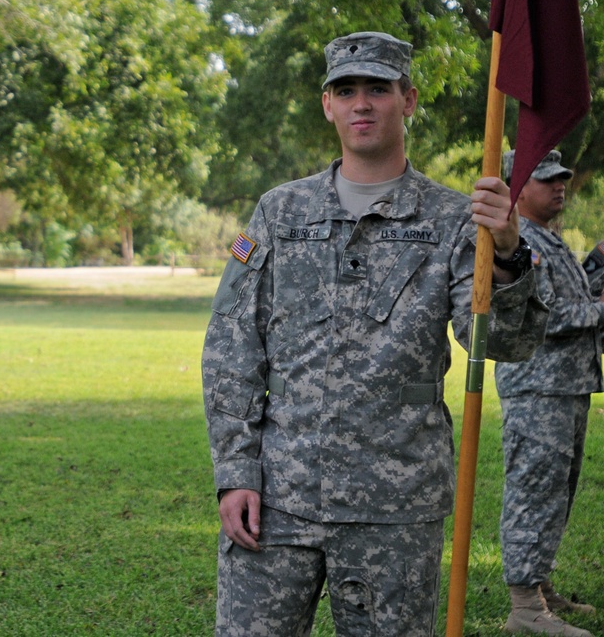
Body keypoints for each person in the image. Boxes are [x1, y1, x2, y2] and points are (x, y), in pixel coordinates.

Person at [202, 31, 548, 636]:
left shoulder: (451, 220)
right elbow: (232, 344)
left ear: (408, 100)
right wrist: (235, 473)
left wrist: (511, 256)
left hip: (397, 507)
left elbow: (502, 344)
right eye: (346, 89)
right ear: (327, 104)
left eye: (378, 89)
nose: (362, 103)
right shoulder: (280, 212)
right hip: (280, 497)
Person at [495, 149, 599, 637]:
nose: (560, 186)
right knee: (533, 492)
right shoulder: (517, 246)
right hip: (537, 390)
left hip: (567, 387)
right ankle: (524, 607)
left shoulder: (549, 241)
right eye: (546, 180)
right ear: (518, 188)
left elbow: (575, 298)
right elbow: (547, 315)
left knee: (558, 492)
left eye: (562, 178)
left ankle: (541, 586)